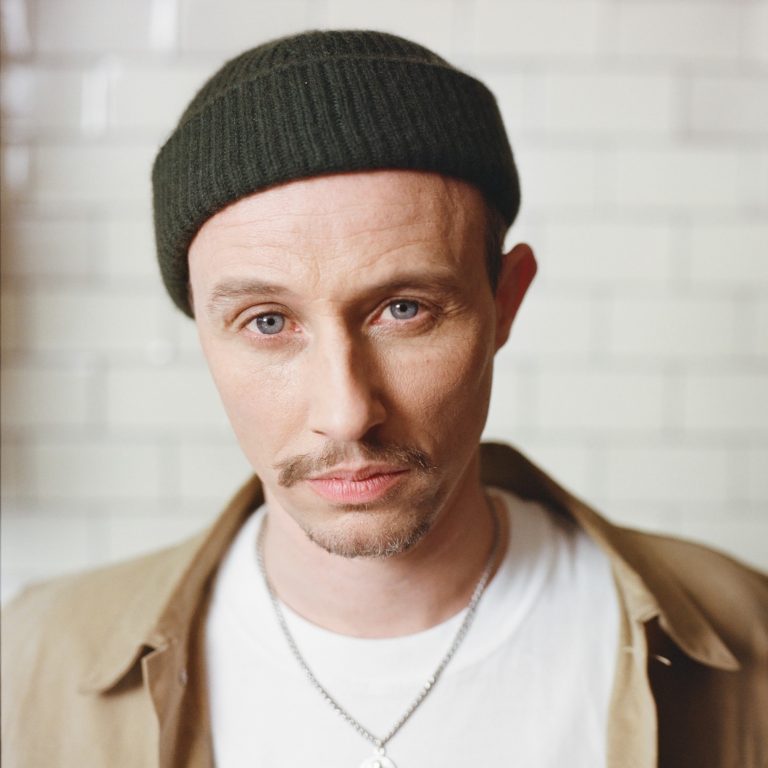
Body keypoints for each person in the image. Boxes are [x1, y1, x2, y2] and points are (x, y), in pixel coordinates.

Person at [2, 29, 766, 768]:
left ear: (505, 301)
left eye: (404, 310)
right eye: (267, 322)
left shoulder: (746, 633)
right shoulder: (34, 661)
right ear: (203, 333)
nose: (346, 413)